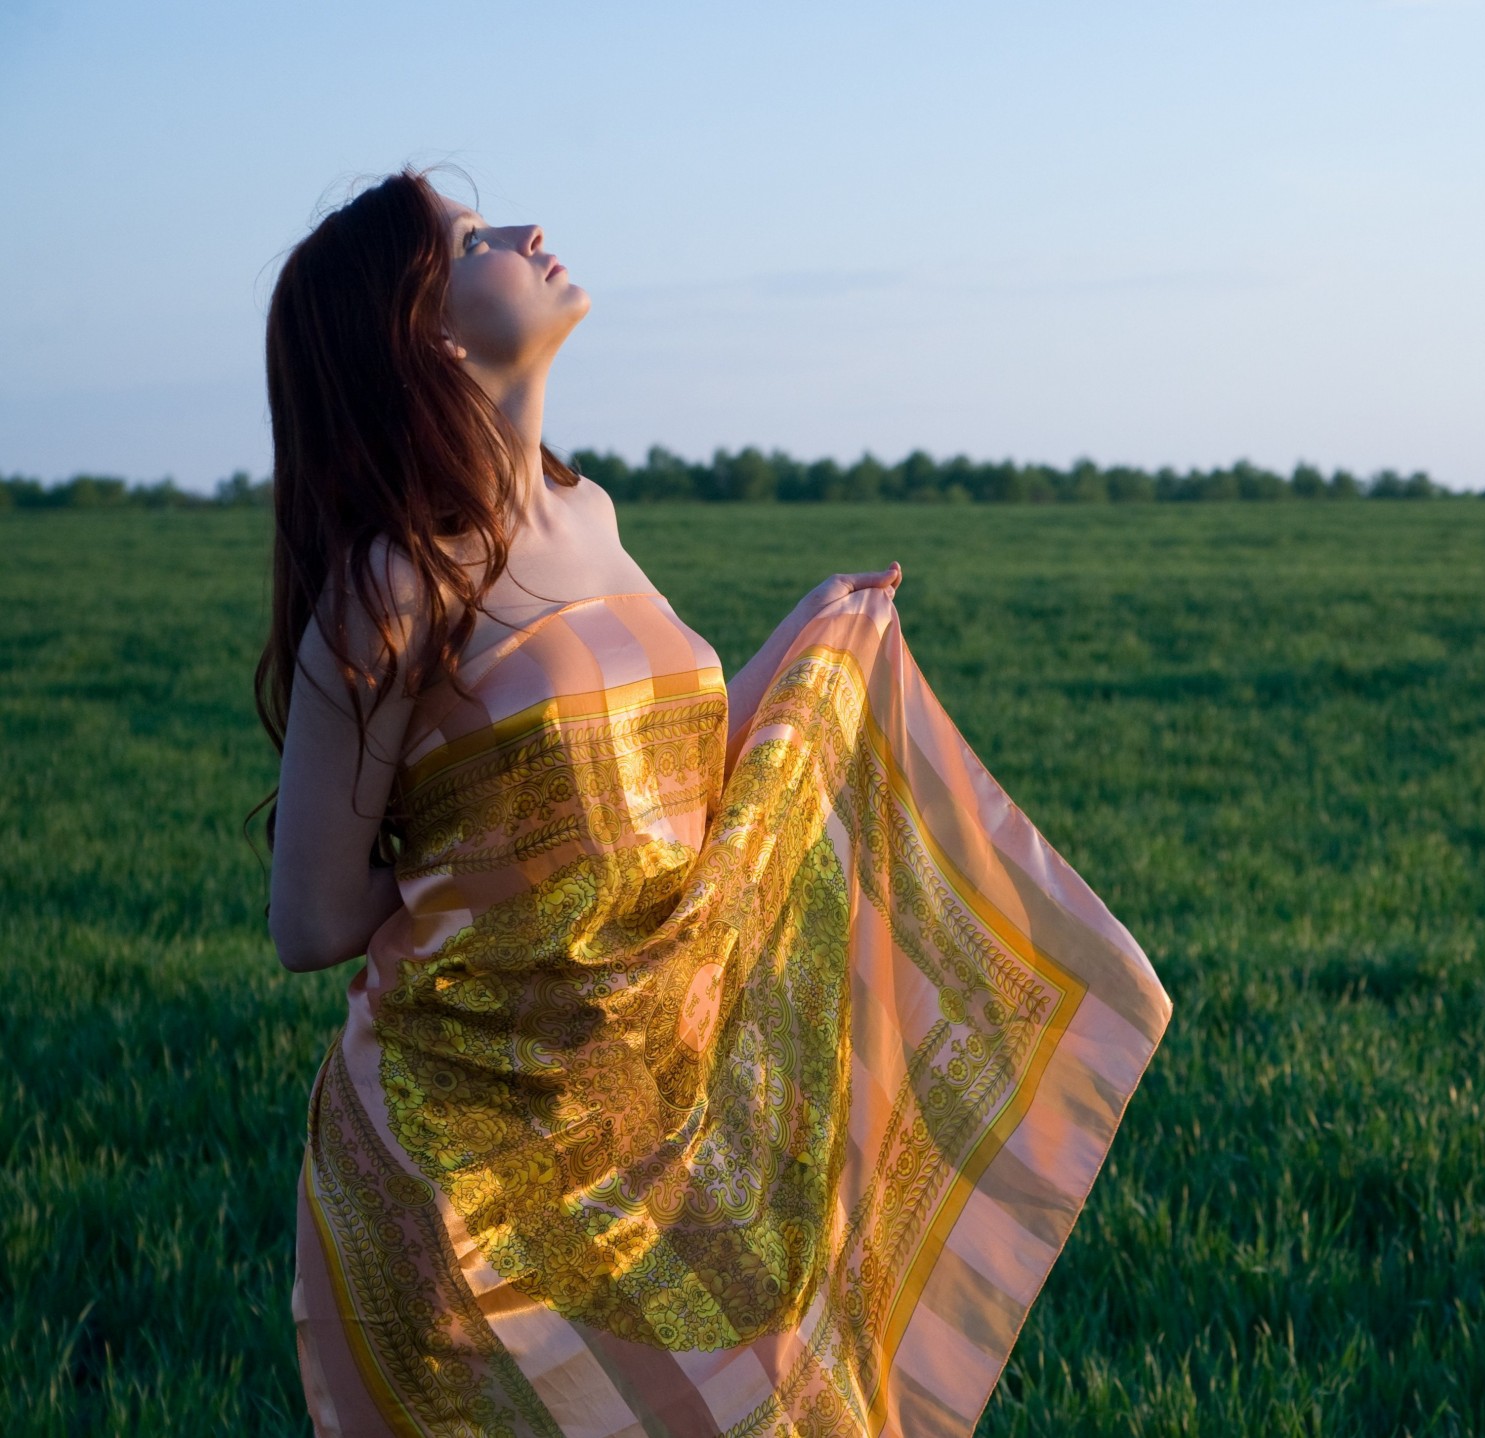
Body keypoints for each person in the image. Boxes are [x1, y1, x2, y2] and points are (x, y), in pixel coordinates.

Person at [255, 168, 1170, 1438]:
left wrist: (805, 653)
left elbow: (657, 778)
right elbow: (310, 918)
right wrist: (499, 891)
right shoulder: (394, 583)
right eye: (471, 239)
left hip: (635, 1131)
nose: (525, 233)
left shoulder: (592, 515)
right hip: (459, 1174)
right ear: (422, 326)